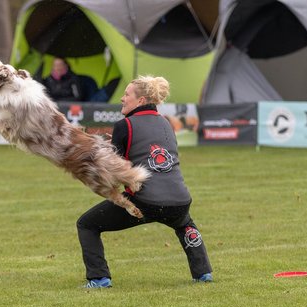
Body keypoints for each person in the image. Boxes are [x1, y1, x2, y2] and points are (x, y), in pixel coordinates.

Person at [76, 75, 213, 288]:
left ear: (140, 101)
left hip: (144, 201)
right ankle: (203, 273)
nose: (122, 98)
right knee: (185, 224)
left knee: (87, 224)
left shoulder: (124, 125)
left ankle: (99, 278)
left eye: (126, 94)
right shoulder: (167, 124)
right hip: (180, 198)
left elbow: (117, 167)